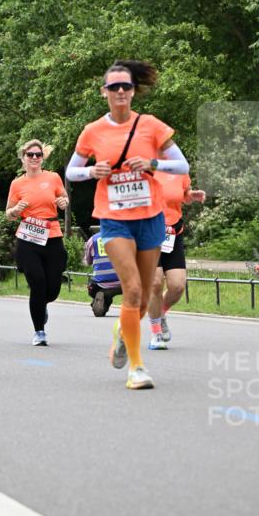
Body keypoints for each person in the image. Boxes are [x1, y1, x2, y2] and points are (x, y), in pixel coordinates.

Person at [66, 60, 189, 390]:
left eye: (126, 87)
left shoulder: (150, 126)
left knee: (145, 290)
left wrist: (151, 163)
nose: (120, 92)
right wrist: (91, 172)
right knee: (133, 289)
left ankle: (124, 330)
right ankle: (137, 368)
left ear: (134, 91)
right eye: (114, 87)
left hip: (151, 218)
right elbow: (71, 171)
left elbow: (181, 164)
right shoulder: (93, 131)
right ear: (104, 92)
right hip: (115, 218)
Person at [6, 141, 68, 346]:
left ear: (42, 157)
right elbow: (9, 214)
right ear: (23, 158)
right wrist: (15, 211)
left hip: (52, 235)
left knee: (52, 289)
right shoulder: (17, 184)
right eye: (30, 155)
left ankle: (42, 305)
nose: (34, 158)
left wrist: (63, 203)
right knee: (37, 283)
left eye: (38, 155)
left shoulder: (53, 177)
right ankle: (39, 331)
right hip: (28, 238)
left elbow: (64, 199)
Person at [146, 174, 206, 350]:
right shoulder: (144, 166)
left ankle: (161, 313)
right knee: (155, 284)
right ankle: (156, 332)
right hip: (148, 233)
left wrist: (191, 195)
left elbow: (184, 195)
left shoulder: (179, 169)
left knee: (178, 286)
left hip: (172, 234)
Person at [83, 229, 122, 317]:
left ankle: (101, 300)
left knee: (92, 289)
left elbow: (88, 262)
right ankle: (105, 298)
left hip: (99, 283)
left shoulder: (93, 239)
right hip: (122, 283)